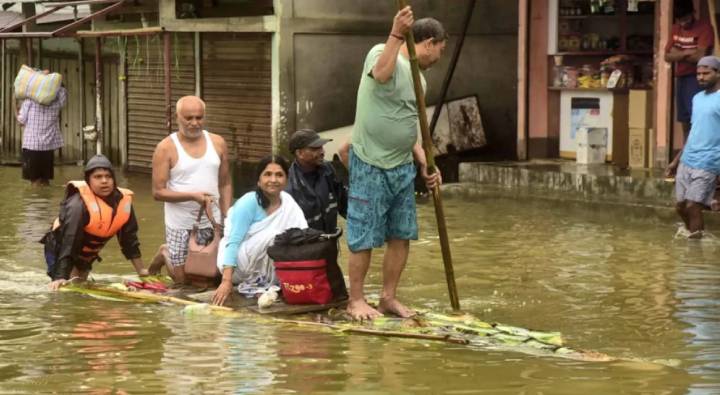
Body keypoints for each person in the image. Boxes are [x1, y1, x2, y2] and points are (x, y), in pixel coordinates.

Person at [345, 7, 444, 320]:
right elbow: (382, 73)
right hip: (370, 160)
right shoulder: (381, 52)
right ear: (428, 43)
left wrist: (425, 163)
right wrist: (395, 32)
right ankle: (356, 300)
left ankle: (388, 297)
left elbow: (409, 127)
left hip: (402, 165)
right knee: (364, 234)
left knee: (401, 234)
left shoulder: (420, 80)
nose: (441, 55)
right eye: (441, 48)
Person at [149, 96, 232, 284]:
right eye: (188, 118)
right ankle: (165, 252)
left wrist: (227, 214)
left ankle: (170, 254)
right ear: (177, 117)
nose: (194, 123)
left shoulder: (218, 143)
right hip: (180, 223)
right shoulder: (165, 148)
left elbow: (225, 182)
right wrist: (192, 196)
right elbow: (158, 192)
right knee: (183, 282)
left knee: (209, 275)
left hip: (212, 219)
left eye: (199, 117)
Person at [42, 154, 151, 291]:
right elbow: (69, 241)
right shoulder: (78, 205)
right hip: (61, 248)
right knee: (70, 288)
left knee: (81, 283)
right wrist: (60, 276)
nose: (104, 181)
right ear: (88, 181)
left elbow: (129, 240)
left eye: (108, 176)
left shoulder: (124, 202)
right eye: (98, 177)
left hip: (87, 254)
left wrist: (142, 272)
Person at [212, 155, 308, 306]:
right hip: (239, 265)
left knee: (293, 238)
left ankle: (274, 282)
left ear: (286, 180)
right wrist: (226, 281)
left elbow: (303, 235)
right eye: (268, 174)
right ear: (259, 180)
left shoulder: (288, 203)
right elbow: (233, 242)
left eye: (279, 175)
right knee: (275, 236)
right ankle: (256, 285)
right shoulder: (248, 202)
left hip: (271, 266)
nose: (273, 180)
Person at [665, 0, 714, 177]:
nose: (683, 23)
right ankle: (685, 160)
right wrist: (688, 53)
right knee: (685, 122)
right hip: (681, 77)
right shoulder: (675, 29)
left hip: (697, 79)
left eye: (685, 18)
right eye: (680, 20)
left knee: (697, 123)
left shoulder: (704, 28)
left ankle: (688, 162)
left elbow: (700, 56)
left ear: (693, 13)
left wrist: (680, 53)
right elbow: (666, 56)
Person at [674, 56, 720, 239]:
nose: (700, 77)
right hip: (687, 160)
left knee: (693, 206)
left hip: (709, 161)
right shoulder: (697, 98)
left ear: (718, 73)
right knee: (680, 206)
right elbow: (693, 131)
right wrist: (675, 160)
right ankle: (694, 235)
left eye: (706, 73)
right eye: (698, 74)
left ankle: (696, 251)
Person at [285, 129, 348, 234]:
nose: (323, 152)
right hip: (305, 248)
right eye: (315, 148)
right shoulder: (289, 188)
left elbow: (344, 203)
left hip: (329, 245)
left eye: (322, 147)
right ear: (299, 153)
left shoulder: (328, 170)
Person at [15, 71, 67, 186]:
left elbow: (21, 121)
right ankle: (45, 203)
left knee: (34, 181)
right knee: (45, 180)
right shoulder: (56, 104)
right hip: (47, 147)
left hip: (31, 146)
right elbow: (63, 94)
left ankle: (36, 203)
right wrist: (57, 82)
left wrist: (15, 110)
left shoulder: (30, 102)